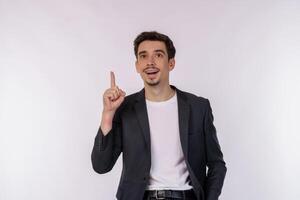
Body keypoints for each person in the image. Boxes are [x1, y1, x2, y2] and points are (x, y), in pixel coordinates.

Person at [91, 31, 227, 200]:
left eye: (158, 55)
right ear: (137, 65)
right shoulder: (125, 108)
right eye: (143, 56)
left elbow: (217, 164)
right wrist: (107, 115)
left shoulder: (198, 107)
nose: (150, 62)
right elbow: (101, 166)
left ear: (171, 63)